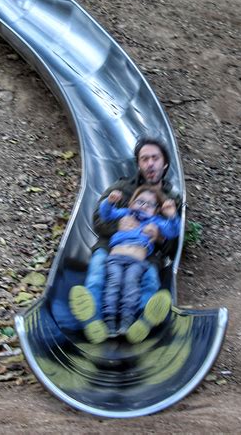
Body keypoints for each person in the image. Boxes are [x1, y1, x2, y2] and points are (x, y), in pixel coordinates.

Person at [69, 136, 182, 343]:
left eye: (155, 158)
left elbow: (174, 241)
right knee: (97, 273)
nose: (150, 163)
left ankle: (142, 321)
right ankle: (92, 319)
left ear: (164, 163)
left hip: (146, 253)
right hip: (112, 249)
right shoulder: (121, 188)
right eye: (144, 159)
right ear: (138, 164)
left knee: (150, 281)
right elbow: (98, 219)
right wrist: (117, 227)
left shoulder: (171, 199)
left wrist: (159, 237)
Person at [99, 186, 180, 341]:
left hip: (136, 261)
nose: (143, 206)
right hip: (115, 258)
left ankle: (126, 322)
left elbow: (172, 231)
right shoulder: (125, 214)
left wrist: (172, 215)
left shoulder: (155, 222)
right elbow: (106, 214)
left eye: (149, 204)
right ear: (130, 204)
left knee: (131, 286)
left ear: (156, 211)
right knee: (113, 284)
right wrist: (109, 202)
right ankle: (109, 321)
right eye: (139, 201)